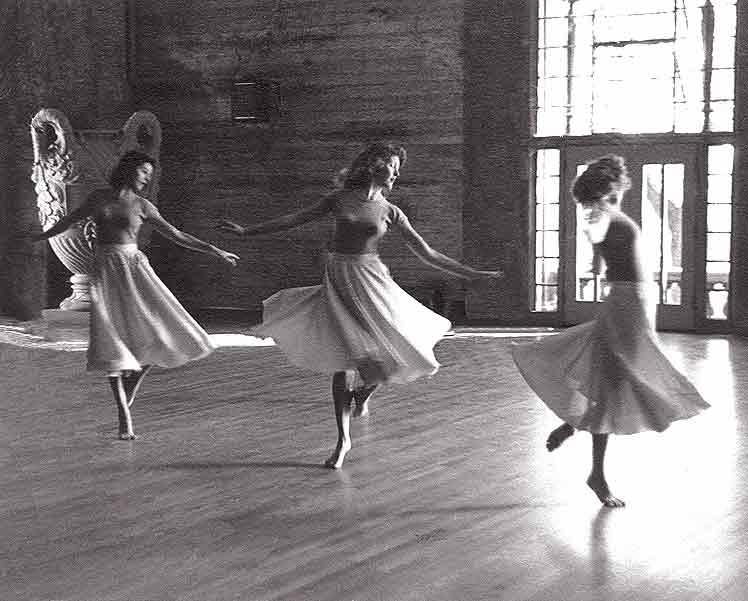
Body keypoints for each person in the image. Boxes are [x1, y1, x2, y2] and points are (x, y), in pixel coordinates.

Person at [218, 142, 502, 468]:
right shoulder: (338, 200)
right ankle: (343, 440)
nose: (396, 173)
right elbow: (294, 219)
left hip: (373, 283)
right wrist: (247, 231)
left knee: (384, 360)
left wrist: (471, 274)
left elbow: (428, 253)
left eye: (398, 169)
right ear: (374, 165)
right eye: (393, 166)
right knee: (344, 359)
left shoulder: (390, 211)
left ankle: (363, 395)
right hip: (339, 280)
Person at [511, 154, 709, 507]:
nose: (615, 190)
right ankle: (591, 461)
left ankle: (577, 434)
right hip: (628, 301)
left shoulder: (604, 217)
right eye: (609, 186)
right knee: (617, 380)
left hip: (637, 300)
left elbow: (605, 262)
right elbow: (606, 259)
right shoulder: (602, 219)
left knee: (612, 379)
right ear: (605, 189)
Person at [33, 150, 239, 440]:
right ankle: (124, 416)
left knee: (158, 332)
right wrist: (36, 237)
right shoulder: (98, 197)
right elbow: (67, 221)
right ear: (129, 170)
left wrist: (214, 250)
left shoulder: (144, 206)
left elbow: (177, 235)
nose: (146, 178)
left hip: (135, 270)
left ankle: (131, 387)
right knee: (111, 340)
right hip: (105, 272)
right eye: (143, 172)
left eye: (149, 175)